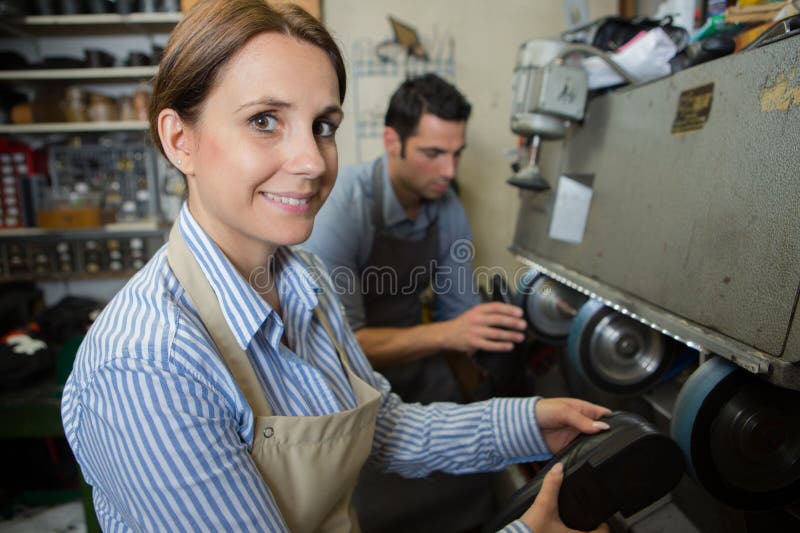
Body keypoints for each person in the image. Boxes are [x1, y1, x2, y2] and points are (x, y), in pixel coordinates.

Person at [60, 1, 611, 532]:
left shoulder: (306, 282)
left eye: (323, 126)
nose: (310, 161)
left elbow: (386, 430)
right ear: (180, 140)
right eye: (264, 121)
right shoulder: (148, 367)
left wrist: (531, 422)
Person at [303, 74, 532, 531]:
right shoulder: (342, 208)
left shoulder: (447, 208)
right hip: (351, 385)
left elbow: (459, 315)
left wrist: (494, 370)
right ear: (393, 141)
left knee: (472, 480)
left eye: (457, 153)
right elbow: (341, 347)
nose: (449, 171)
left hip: (422, 370)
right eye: (433, 154)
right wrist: (451, 334)